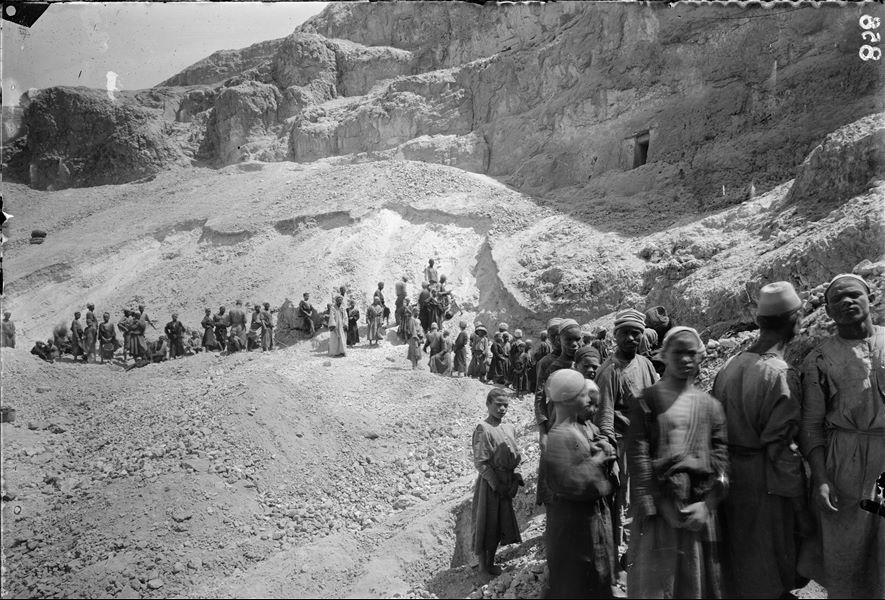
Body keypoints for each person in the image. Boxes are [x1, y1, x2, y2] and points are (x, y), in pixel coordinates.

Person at [713, 282, 808, 599]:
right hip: (765, 480)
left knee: (740, 563)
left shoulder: (729, 365)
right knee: (768, 567)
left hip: (731, 477)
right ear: (795, 320)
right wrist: (800, 506)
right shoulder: (779, 373)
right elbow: (782, 450)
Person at [799, 274, 884, 599]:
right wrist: (821, 478)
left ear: (870, 298)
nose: (848, 302)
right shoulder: (819, 360)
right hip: (844, 466)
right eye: (838, 300)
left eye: (854, 295)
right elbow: (811, 426)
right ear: (829, 311)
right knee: (846, 558)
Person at [627, 327, 728, 599]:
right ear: (664, 355)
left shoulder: (710, 406)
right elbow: (638, 458)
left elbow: (720, 460)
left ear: (699, 358)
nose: (685, 359)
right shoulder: (646, 402)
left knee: (695, 585)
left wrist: (707, 505)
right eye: (678, 352)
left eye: (691, 353)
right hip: (660, 511)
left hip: (697, 509)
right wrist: (658, 505)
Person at [543, 369, 617, 598]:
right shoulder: (559, 436)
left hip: (588, 521)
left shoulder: (576, 430)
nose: (588, 400)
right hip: (574, 526)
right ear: (569, 399)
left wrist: (598, 450)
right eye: (583, 395)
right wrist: (599, 459)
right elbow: (570, 482)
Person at [595, 309, 658, 558]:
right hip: (620, 446)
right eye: (626, 334)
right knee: (620, 500)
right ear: (615, 335)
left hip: (643, 443)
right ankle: (617, 554)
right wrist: (610, 457)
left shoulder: (645, 364)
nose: (631, 339)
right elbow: (604, 416)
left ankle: (638, 548)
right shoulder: (609, 371)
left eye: (636, 334)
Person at [472, 388, 524, 577]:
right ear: (488, 405)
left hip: (507, 481)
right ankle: (483, 569)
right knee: (487, 523)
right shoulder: (483, 428)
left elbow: (516, 456)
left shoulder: (509, 428)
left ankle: (491, 562)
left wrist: (516, 477)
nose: (502, 409)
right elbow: (481, 462)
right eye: (498, 405)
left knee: (500, 522)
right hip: (491, 484)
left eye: (505, 405)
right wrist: (497, 485)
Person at [534, 317, 564, 506]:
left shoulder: (577, 358)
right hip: (554, 419)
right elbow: (539, 396)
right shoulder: (545, 362)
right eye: (551, 336)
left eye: (557, 335)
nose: (554, 340)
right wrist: (542, 428)